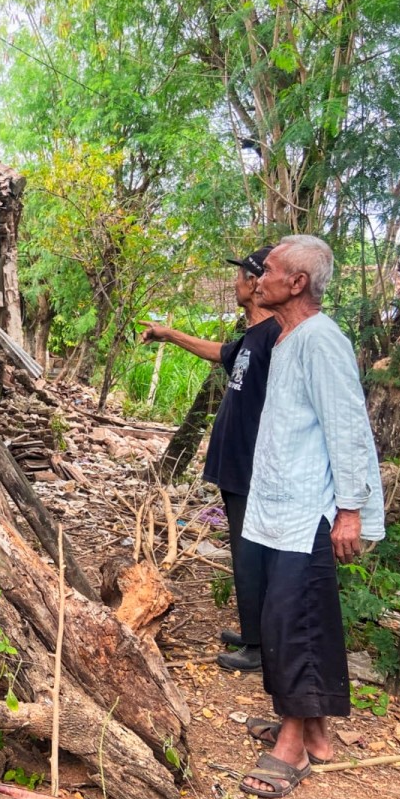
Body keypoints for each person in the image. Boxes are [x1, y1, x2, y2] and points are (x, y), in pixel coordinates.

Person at [237, 235, 384, 799]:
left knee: (294, 622)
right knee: (283, 617)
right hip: (279, 508)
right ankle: (317, 733)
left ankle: (293, 745)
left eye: (268, 270)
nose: (259, 278)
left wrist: (351, 509)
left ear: (296, 283)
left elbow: (347, 426)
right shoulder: (289, 338)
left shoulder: (322, 340)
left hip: (309, 512)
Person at [142, 247, 280, 672]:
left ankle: (259, 647)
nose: (235, 281)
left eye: (241, 274)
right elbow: (219, 351)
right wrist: (169, 334)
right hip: (235, 465)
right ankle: (254, 630)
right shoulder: (253, 336)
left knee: (252, 551)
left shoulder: (277, 336)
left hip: (254, 468)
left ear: (256, 283)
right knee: (243, 550)